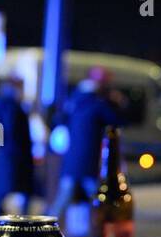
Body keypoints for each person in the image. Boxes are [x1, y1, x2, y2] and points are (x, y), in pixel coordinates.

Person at [50, 68, 121, 222]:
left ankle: (47, 224)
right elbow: (115, 120)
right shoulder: (97, 103)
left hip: (71, 157)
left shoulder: (74, 99)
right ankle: (105, 225)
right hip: (88, 157)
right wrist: (114, 102)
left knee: (65, 194)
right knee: (96, 195)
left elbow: (59, 119)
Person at [0, 77, 35, 221]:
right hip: (15, 157)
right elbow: (14, 133)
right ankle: (24, 223)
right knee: (22, 191)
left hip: (3, 157)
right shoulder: (13, 108)